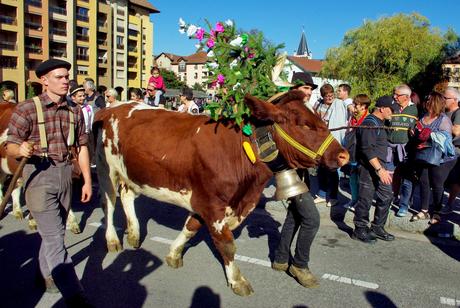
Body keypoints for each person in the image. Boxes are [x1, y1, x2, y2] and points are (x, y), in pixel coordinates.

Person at [5, 59, 93, 307]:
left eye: (67, 76)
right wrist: (19, 148)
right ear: (44, 80)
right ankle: (75, 296)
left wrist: (87, 181)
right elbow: (9, 145)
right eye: (59, 77)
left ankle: (43, 274)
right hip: (38, 176)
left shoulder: (75, 111)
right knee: (55, 237)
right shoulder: (27, 109)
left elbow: (82, 147)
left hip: (66, 174)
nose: (66, 81)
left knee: (56, 232)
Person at [272, 72, 320, 288]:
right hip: (288, 172)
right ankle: (299, 265)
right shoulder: (288, 111)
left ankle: (281, 259)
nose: (308, 92)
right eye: (304, 88)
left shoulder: (306, 108)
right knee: (312, 219)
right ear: (293, 89)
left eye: (310, 89)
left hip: (300, 172)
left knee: (295, 216)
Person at [353, 95, 396, 244]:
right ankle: (359, 229)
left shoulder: (381, 122)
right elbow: (367, 149)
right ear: (382, 109)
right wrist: (380, 170)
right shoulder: (370, 123)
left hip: (380, 167)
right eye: (391, 110)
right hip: (369, 168)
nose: (393, 113)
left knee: (387, 196)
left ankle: (377, 227)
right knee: (365, 199)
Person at [410, 92, 456, 224]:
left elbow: (445, 141)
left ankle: (436, 212)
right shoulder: (424, 116)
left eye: (429, 99)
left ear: (435, 102)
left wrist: (427, 140)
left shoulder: (443, 120)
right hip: (423, 155)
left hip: (440, 158)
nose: (426, 101)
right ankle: (424, 211)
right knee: (424, 182)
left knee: (437, 184)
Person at [313, 84, 353, 207]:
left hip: (334, 142)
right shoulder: (318, 105)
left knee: (333, 170)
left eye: (331, 95)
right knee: (321, 169)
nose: (330, 98)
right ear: (323, 96)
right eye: (327, 96)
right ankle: (322, 194)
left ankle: (334, 197)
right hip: (321, 141)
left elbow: (349, 103)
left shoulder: (340, 104)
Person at [389, 84, 419, 217]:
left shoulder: (414, 110)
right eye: (394, 94)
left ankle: (404, 205)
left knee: (407, 179)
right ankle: (392, 197)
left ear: (406, 97)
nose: (394, 97)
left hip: (406, 150)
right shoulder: (392, 107)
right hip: (390, 148)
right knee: (391, 176)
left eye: (397, 95)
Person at [343, 94, 371, 211]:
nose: (354, 107)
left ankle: (360, 201)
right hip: (352, 150)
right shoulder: (353, 117)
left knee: (361, 180)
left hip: (361, 152)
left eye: (356, 105)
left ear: (363, 106)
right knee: (352, 178)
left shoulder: (368, 119)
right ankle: (354, 199)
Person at [443, 87, 460, 214]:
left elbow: (456, 131)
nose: (443, 100)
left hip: (454, 151)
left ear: (454, 100)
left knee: (454, 180)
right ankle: (439, 203)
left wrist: (441, 125)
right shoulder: (443, 112)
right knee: (441, 179)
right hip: (442, 149)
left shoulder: (458, 113)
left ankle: (449, 204)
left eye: (446, 98)